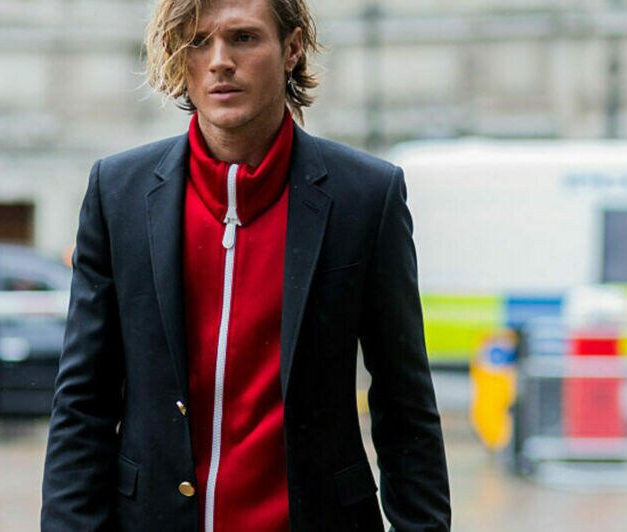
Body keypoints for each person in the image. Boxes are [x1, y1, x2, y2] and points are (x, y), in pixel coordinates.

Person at [40, 0, 450, 529]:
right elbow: (83, 403)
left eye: (244, 38)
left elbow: (405, 403)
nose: (219, 61)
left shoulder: (367, 196)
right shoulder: (117, 193)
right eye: (198, 41)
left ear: (291, 49)